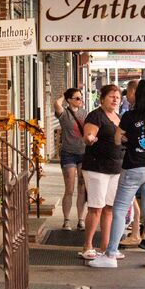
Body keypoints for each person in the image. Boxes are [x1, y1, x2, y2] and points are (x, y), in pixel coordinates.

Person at [89, 79, 145, 269]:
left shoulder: (130, 116)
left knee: (120, 210)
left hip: (132, 167)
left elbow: (116, 139)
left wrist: (128, 139)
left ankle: (111, 254)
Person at [79, 84, 125, 259]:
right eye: (111, 96)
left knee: (109, 208)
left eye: (118, 97)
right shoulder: (96, 115)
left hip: (115, 168)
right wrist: (90, 138)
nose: (115, 100)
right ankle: (88, 245)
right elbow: (88, 136)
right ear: (102, 99)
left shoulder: (117, 117)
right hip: (97, 168)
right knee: (96, 208)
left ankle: (106, 247)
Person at [54, 88, 87, 230]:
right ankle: (66, 220)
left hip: (83, 152)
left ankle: (81, 219)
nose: (80, 100)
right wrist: (63, 95)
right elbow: (56, 103)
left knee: (81, 187)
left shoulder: (85, 113)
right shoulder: (64, 113)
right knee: (69, 188)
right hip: (68, 153)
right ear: (69, 100)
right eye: (77, 98)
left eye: (81, 98)